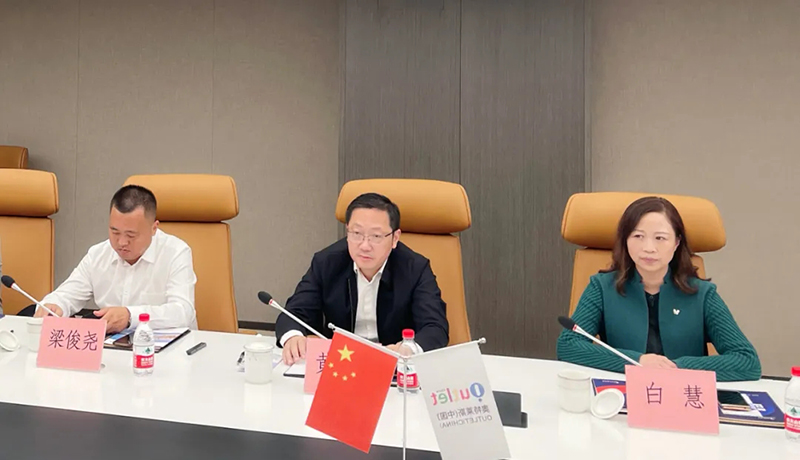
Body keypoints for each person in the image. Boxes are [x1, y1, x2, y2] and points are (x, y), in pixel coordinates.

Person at [556, 196, 761, 382]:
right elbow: (568, 345)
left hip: (684, 397)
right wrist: (636, 361)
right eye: (638, 236)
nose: (648, 248)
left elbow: (747, 360)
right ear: (625, 240)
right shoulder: (601, 288)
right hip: (623, 395)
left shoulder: (703, 294)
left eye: (660, 238)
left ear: (676, 242)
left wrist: (676, 367)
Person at [277, 192, 449, 365]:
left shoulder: (415, 269)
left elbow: (435, 327)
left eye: (376, 236)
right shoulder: (327, 263)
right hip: (340, 365)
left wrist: (407, 349)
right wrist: (293, 337)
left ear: (394, 238)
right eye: (357, 233)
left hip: (393, 366)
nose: (365, 246)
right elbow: (294, 313)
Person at [28, 185, 198, 333]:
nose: (121, 242)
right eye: (115, 232)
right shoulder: (98, 254)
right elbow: (66, 295)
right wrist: (53, 306)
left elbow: (183, 312)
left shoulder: (176, 252)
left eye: (131, 235)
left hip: (168, 350)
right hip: (113, 349)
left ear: (154, 228)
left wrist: (130, 316)